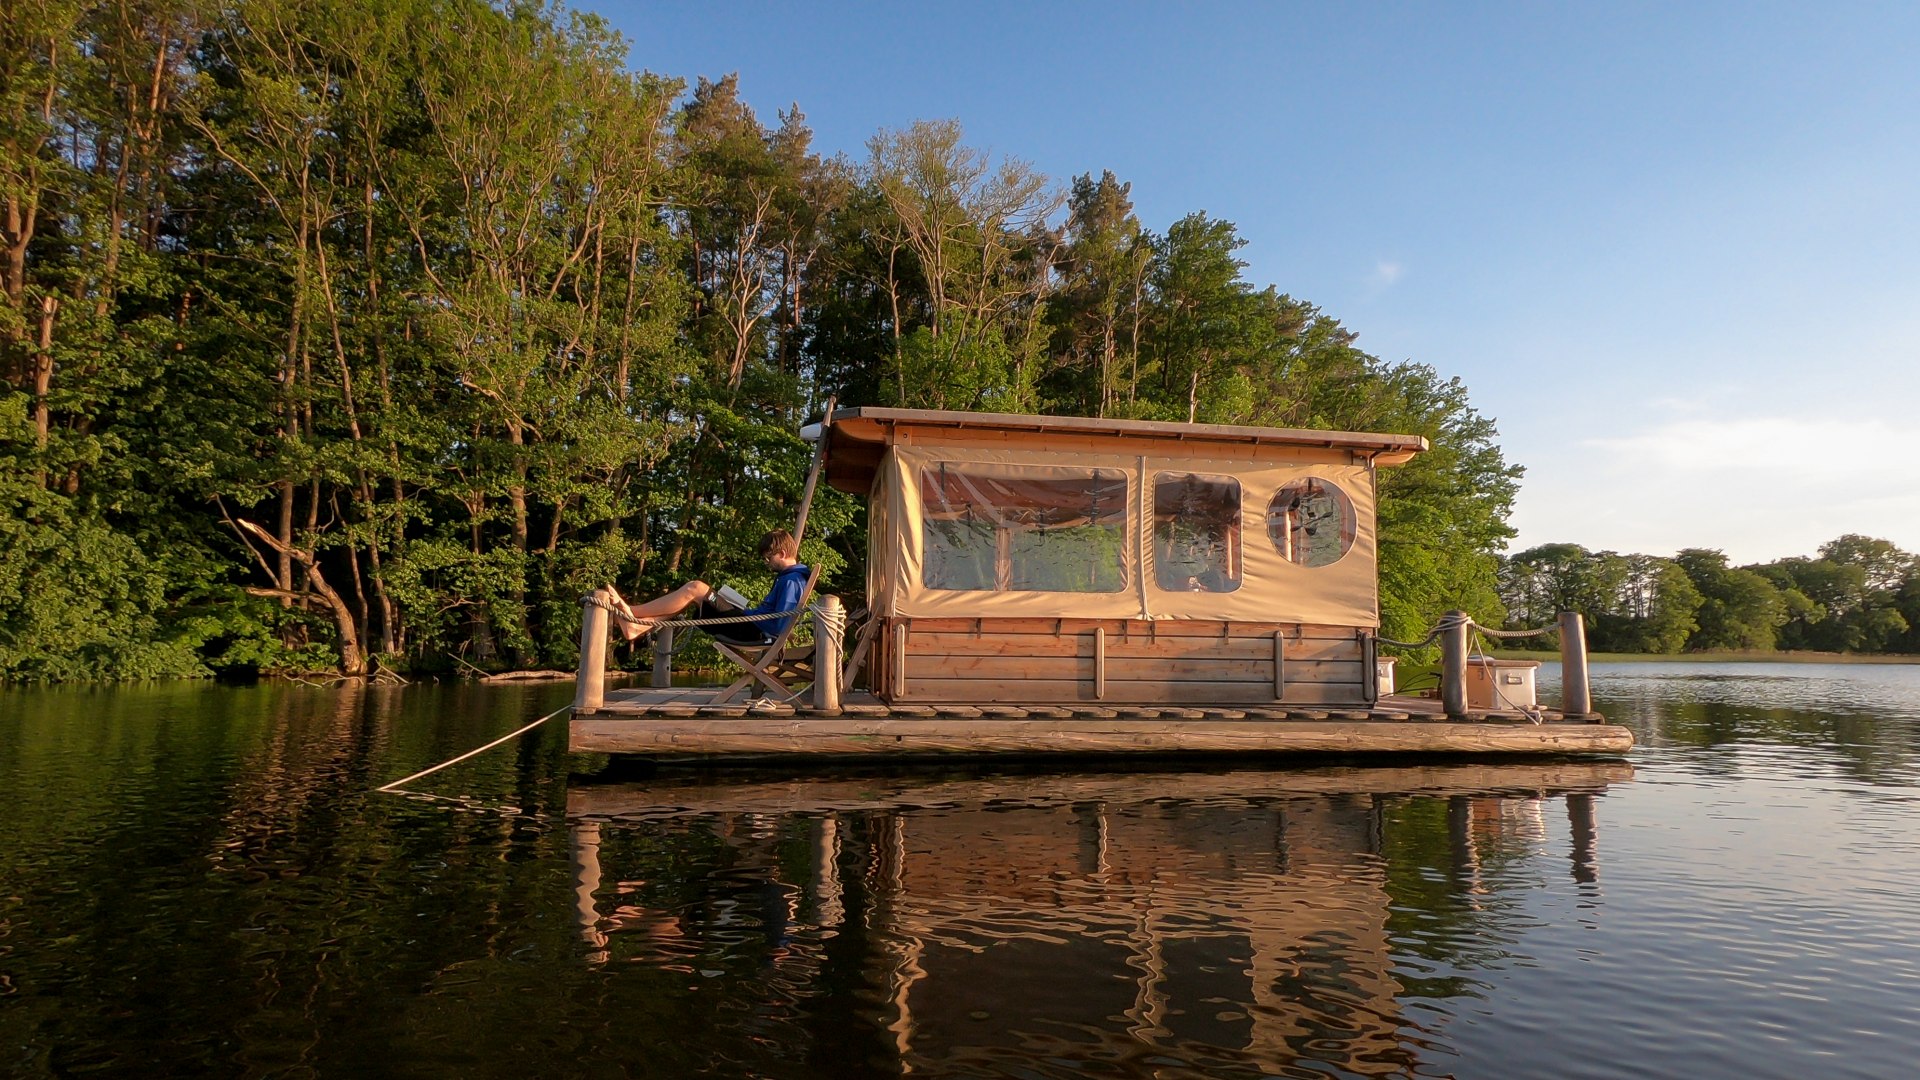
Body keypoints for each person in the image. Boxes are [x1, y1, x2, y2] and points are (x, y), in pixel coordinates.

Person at [611, 529, 809, 646]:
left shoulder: (791, 580)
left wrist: (753, 615)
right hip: (750, 623)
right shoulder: (789, 578)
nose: (766, 563)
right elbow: (782, 618)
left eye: (768, 558)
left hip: (753, 630)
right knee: (694, 599)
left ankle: (632, 613)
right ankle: (637, 626)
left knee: (696, 588)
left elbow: (778, 624)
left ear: (782, 553)